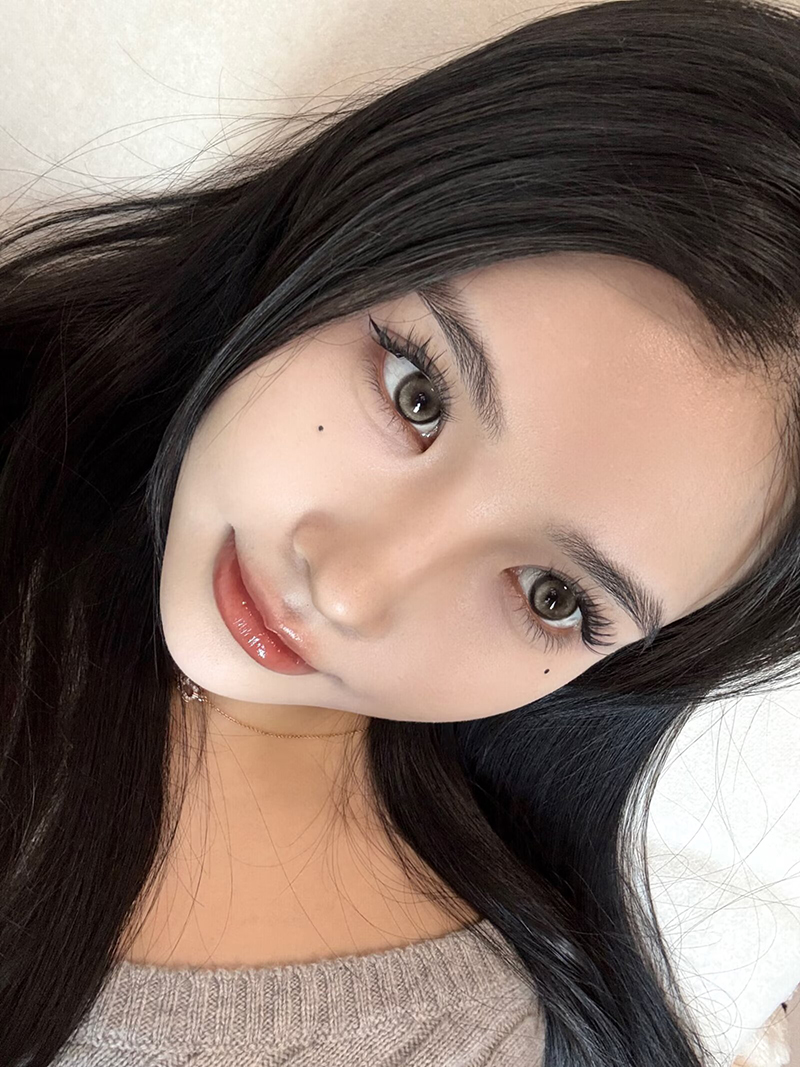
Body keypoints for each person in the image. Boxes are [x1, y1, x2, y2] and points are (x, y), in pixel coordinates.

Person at [1, 0, 800, 1064]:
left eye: (552, 595)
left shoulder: (451, 1034)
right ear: (354, 225)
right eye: (415, 391)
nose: (349, 589)